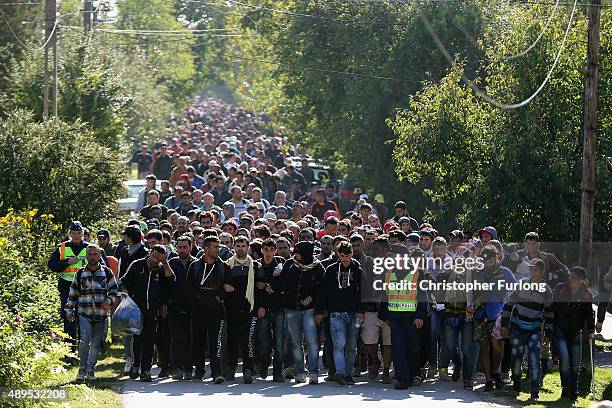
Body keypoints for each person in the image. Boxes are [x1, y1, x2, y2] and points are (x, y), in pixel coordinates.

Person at [119, 245, 176, 381]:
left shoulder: (161, 269)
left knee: (150, 340)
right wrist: (125, 293)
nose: (155, 260)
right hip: (136, 309)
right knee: (137, 338)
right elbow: (123, 282)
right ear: (150, 252)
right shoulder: (137, 265)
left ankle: (145, 370)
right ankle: (136, 363)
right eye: (154, 255)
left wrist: (165, 262)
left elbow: (171, 281)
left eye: (159, 258)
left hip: (153, 310)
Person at [501, 258, 553, 400]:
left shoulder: (547, 291)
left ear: (542, 271)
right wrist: (504, 325)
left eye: (535, 269)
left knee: (534, 360)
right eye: (530, 269)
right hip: (517, 327)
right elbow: (509, 305)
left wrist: (547, 334)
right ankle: (516, 385)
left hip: (534, 330)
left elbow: (549, 314)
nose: (532, 271)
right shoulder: (521, 284)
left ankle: (534, 391)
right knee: (516, 358)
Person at [65, 244, 119, 381]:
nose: (92, 257)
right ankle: (82, 368)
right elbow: (73, 293)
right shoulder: (80, 273)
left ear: (100, 256)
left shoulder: (107, 272)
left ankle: (90, 369)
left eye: (95, 254)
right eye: (90, 254)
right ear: (86, 256)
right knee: (85, 339)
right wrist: (69, 310)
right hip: (84, 312)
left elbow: (114, 292)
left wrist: (109, 301)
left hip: (101, 315)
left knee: (96, 343)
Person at [378, 245, 428, 390]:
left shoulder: (417, 273)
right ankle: (403, 378)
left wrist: (420, 315)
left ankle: (414, 374)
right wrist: (384, 315)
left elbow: (422, 296)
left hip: (411, 318)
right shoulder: (388, 273)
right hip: (395, 318)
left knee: (412, 348)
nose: (391, 258)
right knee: (398, 348)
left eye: (393, 256)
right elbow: (384, 295)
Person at [316, 241, 364, 385]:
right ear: (338, 255)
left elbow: (363, 292)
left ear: (351, 254)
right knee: (339, 344)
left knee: (351, 346)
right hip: (335, 314)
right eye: (342, 256)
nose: (345, 259)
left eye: (347, 256)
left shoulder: (358, 269)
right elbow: (323, 291)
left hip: (354, 314)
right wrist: (320, 310)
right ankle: (340, 372)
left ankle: (347, 374)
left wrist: (361, 311)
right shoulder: (331, 269)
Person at [185, 235, 229, 384]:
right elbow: (188, 286)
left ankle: (217, 373)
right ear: (206, 248)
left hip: (217, 311)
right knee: (198, 342)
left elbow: (229, 286)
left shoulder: (223, 266)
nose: (219, 249)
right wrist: (198, 297)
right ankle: (199, 371)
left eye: (219, 247)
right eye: (215, 247)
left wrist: (219, 297)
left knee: (216, 342)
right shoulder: (195, 265)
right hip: (198, 310)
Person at [473, 245, 517, 391]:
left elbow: (514, 291)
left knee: (498, 347)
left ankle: (496, 371)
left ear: (497, 257)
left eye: (490, 261)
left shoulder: (505, 273)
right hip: (481, 314)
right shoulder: (479, 273)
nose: (488, 265)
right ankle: (488, 379)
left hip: (498, 314)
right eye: (485, 263)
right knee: (483, 347)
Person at [223, 236, 267, 383]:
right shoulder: (227, 265)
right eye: (238, 245)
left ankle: (248, 369)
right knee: (232, 340)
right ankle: (231, 368)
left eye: (243, 245)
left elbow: (261, 288)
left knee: (248, 340)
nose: (240, 248)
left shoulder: (255, 265)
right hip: (232, 309)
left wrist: (261, 306)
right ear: (234, 247)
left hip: (251, 309)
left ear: (248, 247)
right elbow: (222, 284)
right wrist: (225, 287)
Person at [281, 241, 324, 383]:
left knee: (312, 341)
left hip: (309, 310)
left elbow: (323, 290)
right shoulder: (289, 264)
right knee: (295, 342)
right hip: (292, 309)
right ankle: (300, 371)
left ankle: (313, 372)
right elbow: (282, 283)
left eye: (298, 252)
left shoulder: (317, 267)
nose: (295, 255)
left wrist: (312, 298)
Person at [48, 221, 90, 357]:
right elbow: (52, 265)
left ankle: (85, 351)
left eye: (79, 233)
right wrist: (66, 263)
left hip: (86, 290)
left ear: (83, 233)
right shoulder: (62, 248)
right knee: (69, 320)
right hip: (67, 290)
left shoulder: (90, 248)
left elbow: (100, 265)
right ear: (69, 234)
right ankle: (69, 353)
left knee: (86, 321)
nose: (76, 236)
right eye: (73, 233)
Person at [552, 266, 595, 401]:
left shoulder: (586, 294)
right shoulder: (560, 289)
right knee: (564, 360)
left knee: (575, 364)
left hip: (575, 332)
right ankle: (566, 388)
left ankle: (573, 389)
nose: (570, 279)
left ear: (582, 280)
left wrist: (591, 330)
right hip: (560, 330)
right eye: (570, 276)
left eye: (574, 277)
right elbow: (551, 306)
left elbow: (589, 314)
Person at [256, 238, 287, 382]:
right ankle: (263, 364)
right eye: (265, 250)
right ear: (261, 250)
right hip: (263, 308)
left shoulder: (281, 265)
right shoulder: (257, 266)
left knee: (279, 342)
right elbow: (255, 289)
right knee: (263, 341)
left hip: (278, 308)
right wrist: (260, 305)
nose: (268, 253)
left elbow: (286, 286)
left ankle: (277, 371)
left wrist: (272, 286)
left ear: (275, 251)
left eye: (271, 250)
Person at [167, 236, 197, 380]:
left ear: (191, 247)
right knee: (177, 337)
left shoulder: (197, 263)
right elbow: (165, 284)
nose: (182, 250)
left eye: (185, 247)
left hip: (193, 307)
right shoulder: (171, 263)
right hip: (175, 307)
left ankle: (188, 368)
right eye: (179, 247)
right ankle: (176, 368)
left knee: (191, 338)